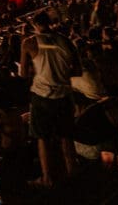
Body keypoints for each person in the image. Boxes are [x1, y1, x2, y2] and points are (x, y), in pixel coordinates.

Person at [20, 10, 80, 186]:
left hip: (41, 96)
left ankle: (47, 177)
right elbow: (77, 70)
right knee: (66, 136)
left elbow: (23, 73)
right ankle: (73, 172)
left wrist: (40, 72)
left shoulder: (29, 43)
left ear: (35, 25)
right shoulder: (66, 41)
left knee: (42, 137)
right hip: (64, 95)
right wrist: (60, 74)